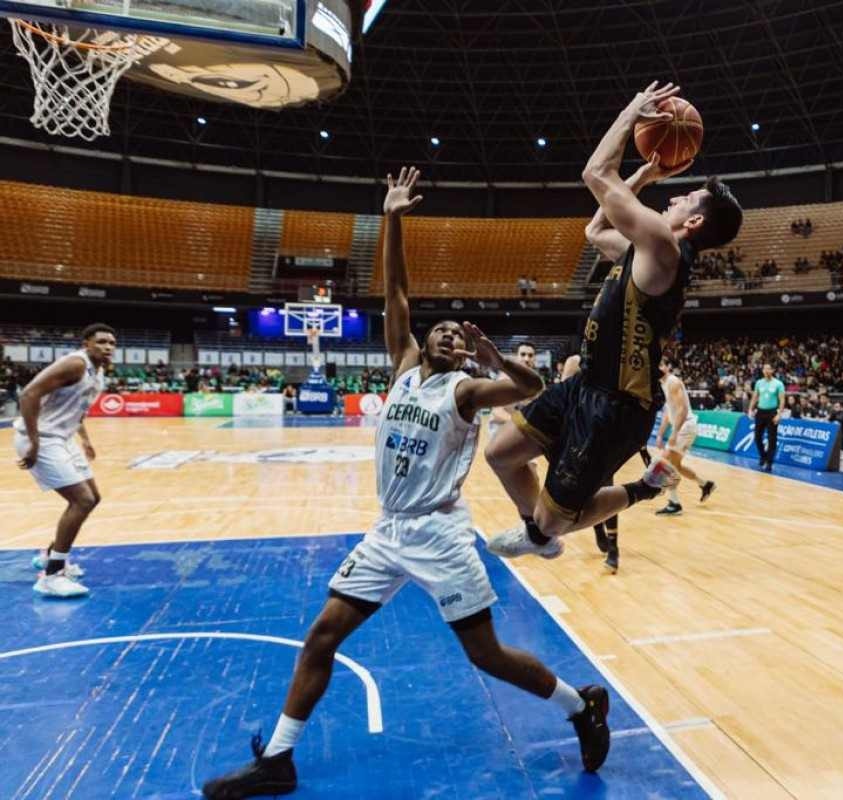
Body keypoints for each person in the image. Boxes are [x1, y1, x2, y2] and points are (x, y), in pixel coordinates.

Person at [201, 168, 611, 800]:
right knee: (322, 635)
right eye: (438, 330)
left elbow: (532, 391)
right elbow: (394, 289)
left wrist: (496, 360)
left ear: (462, 353)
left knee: (487, 656)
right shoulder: (402, 367)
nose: (445, 335)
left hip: (441, 534)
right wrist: (391, 216)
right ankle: (279, 759)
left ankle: (577, 708)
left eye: (456, 335)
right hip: (389, 530)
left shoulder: (466, 389)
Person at [484, 81, 743, 559]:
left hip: (616, 407)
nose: (673, 199)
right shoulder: (646, 250)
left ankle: (641, 490)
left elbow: (595, 172)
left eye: (683, 200)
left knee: (557, 519)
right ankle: (538, 534)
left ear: (695, 224)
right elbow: (595, 228)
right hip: (586, 386)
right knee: (499, 454)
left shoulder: (664, 249)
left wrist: (632, 112)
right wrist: (644, 174)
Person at [14, 323, 114, 598]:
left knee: (93, 497)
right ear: (86, 344)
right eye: (101, 342)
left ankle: (50, 555)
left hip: (63, 438)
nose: (108, 347)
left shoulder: (99, 372)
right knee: (81, 500)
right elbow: (29, 394)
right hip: (42, 437)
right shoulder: (75, 364)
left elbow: (75, 410)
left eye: (112, 343)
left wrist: (85, 439)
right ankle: (51, 575)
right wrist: (33, 441)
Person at [555, 353, 649, 574]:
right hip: (581, 432)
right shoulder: (575, 362)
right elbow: (563, 397)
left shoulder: (620, 364)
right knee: (586, 491)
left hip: (607, 432)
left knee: (607, 485)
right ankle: (598, 529)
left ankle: (614, 549)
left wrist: (641, 445)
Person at [652, 357, 716, 516]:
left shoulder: (673, 382)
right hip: (683, 427)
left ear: (667, 367)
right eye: (656, 364)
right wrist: (660, 435)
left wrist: (674, 433)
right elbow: (668, 413)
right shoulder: (662, 384)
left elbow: (683, 410)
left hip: (685, 426)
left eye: (660, 364)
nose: (658, 368)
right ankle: (705, 484)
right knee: (676, 466)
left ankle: (674, 503)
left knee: (665, 463)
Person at [488, 341, 538, 439]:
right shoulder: (504, 379)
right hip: (500, 428)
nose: (527, 359)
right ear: (516, 357)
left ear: (535, 358)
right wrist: (522, 425)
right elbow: (497, 412)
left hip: (520, 429)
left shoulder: (536, 382)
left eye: (530, 355)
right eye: (523, 354)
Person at [747, 363, 785, 471]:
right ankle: (763, 456)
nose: (767, 371)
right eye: (765, 369)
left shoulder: (778, 384)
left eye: (769, 369)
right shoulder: (759, 383)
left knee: (772, 439)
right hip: (760, 412)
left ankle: (769, 462)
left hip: (772, 412)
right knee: (757, 436)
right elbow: (755, 396)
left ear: (772, 371)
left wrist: (779, 414)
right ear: (763, 370)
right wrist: (750, 409)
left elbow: (782, 400)